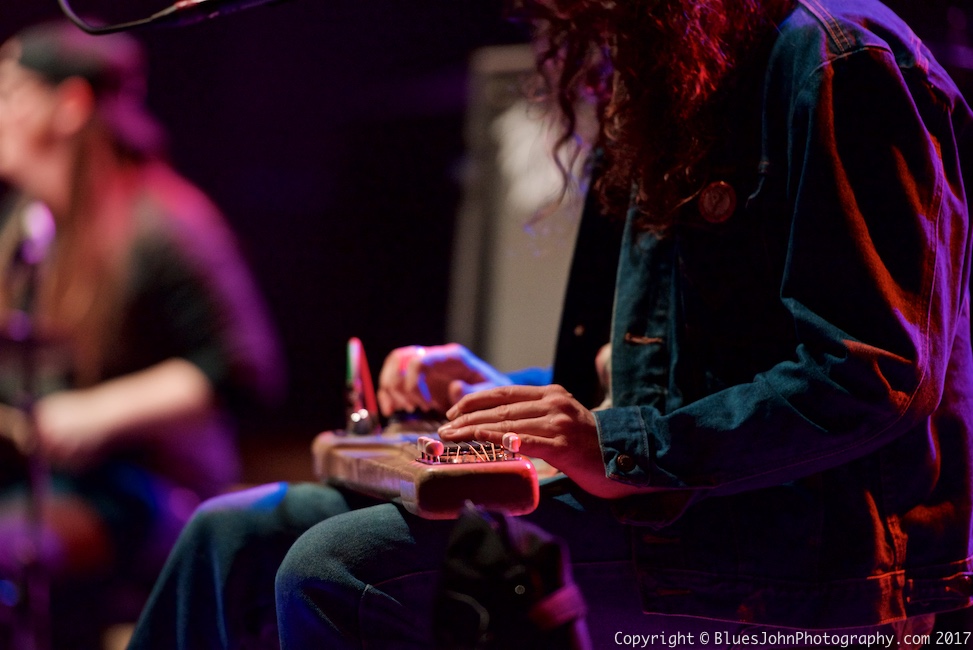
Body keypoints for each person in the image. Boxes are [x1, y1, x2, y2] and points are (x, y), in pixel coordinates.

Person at [128, 0, 973, 647]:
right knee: (227, 534)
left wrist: (614, 447)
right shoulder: (681, 63)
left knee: (341, 567)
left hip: (811, 560)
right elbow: (668, 385)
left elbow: (873, 372)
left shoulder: (837, 56)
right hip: (686, 517)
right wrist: (509, 398)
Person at [0, 21, 282, 648]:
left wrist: (93, 413)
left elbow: (244, 370)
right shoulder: (28, 225)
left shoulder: (167, 223)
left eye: (9, 93)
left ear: (69, 105)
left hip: (146, 493)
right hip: (50, 486)